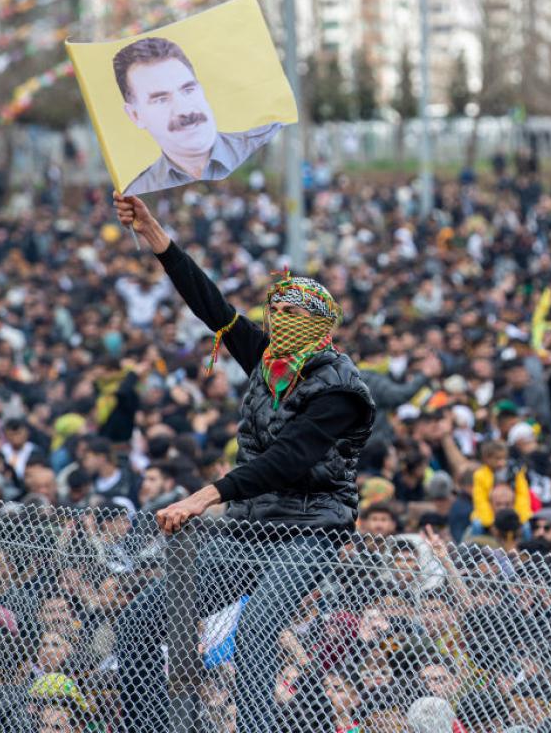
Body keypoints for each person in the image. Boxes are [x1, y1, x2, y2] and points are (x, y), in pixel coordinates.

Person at [111, 192, 375, 733]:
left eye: (292, 314)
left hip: (311, 525)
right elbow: (213, 307)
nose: (278, 319)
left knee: (255, 635)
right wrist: (158, 239)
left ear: (321, 326)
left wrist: (205, 496)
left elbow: (288, 458)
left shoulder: (340, 389)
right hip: (251, 523)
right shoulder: (265, 357)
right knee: (140, 622)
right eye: (274, 311)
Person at [114, 37, 282, 195]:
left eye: (188, 90)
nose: (185, 110)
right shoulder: (139, 191)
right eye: (161, 99)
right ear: (135, 115)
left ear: (201, 89)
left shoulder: (264, 139)